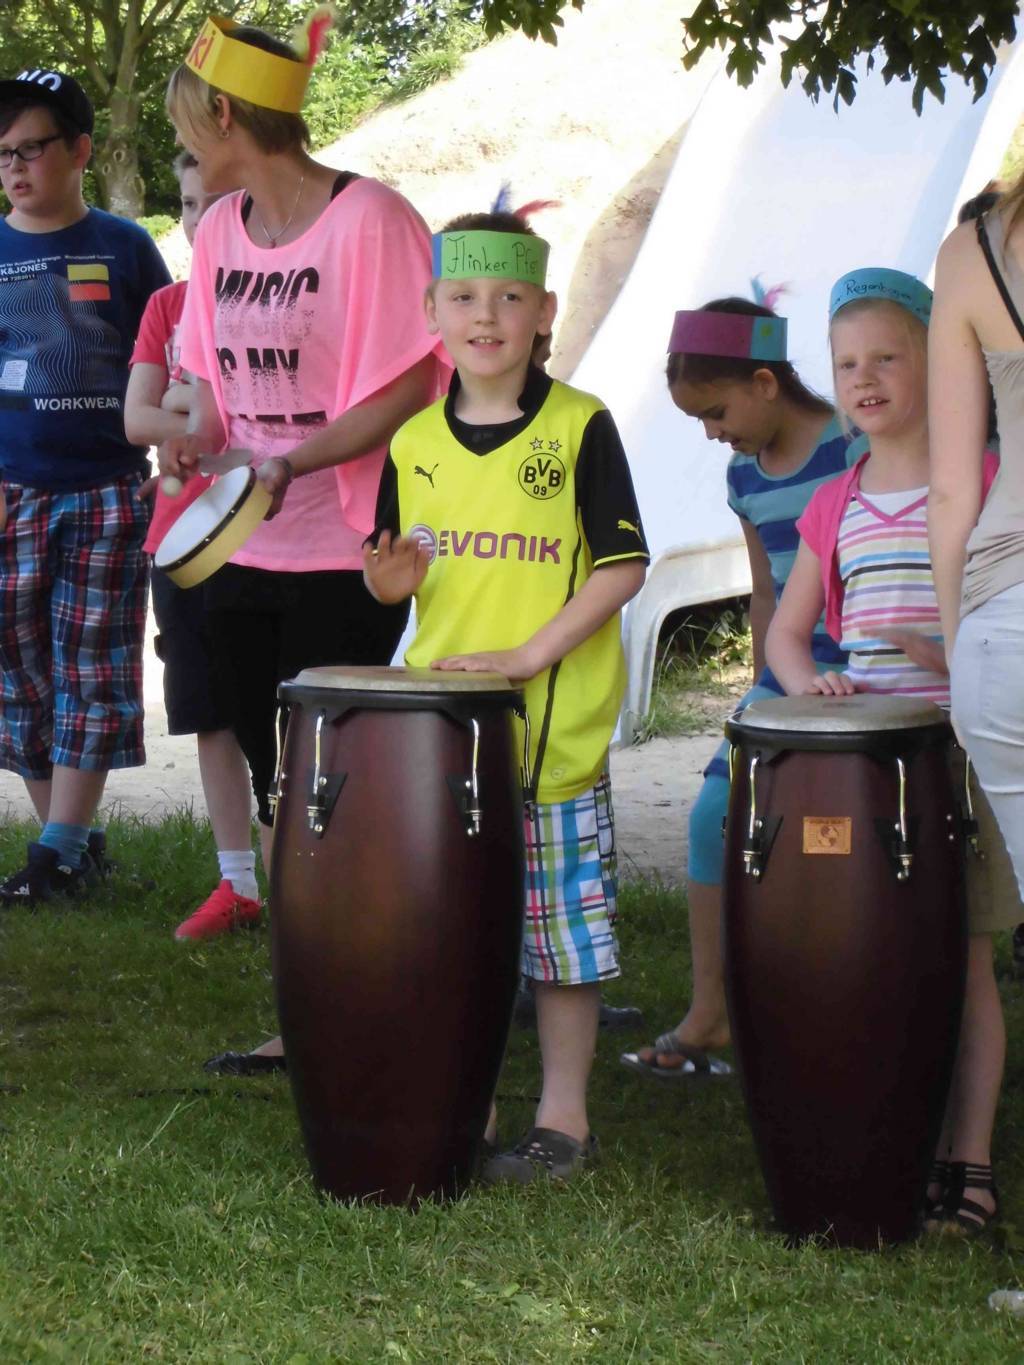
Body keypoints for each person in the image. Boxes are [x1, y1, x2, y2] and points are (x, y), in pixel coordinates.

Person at [159, 14, 448, 1073]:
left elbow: (412, 382)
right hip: (243, 546)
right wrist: (191, 440)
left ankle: (382, 990)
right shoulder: (218, 234)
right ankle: (312, 1007)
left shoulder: (371, 219)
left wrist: (296, 461)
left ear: (227, 116)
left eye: (187, 128)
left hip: (346, 549)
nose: (183, 147)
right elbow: (210, 389)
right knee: (280, 784)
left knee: (339, 785)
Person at [365, 210, 649, 1183]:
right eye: (464, 296)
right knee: (453, 933)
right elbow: (390, 575)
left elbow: (621, 567)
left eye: (509, 296)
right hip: (440, 741)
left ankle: (564, 1120)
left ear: (545, 312)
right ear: (431, 310)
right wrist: (386, 584)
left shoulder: (581, 425)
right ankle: (468, 1099)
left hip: (548, 738)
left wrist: (529, 655)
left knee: (561, 941)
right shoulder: (411, 442)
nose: (485, 316)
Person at [769, 268, 1019, 1235]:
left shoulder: (990, 479)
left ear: (939, 360)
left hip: (963, 756)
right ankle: (890, 1137)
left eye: (887, 357)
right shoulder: (834, 502)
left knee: (966, 959)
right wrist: (810, 685)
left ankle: (970, 1161)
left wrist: (953, 654)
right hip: (869, 769)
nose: (864, 378)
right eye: (846, 365)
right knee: (877, 953)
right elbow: (786, 634)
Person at [620, 298, 865, 1080]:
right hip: (787, 672)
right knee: (711, 816)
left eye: (716, 412)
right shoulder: (744, 474)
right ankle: (711, 1010)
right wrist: (763, 687)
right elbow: (766, 591)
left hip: (870, 666)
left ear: (765, 382)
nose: (710, 432)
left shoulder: (855, 442)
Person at [0, 67, 171, 904]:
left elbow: (172, 359)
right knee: (19, 671)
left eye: (32, 148)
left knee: (91, 666)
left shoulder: (127, 246)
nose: (15, 167)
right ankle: (68, 848)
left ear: (81, 151)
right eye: (2, 154)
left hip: (108, 491)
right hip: (12, 494)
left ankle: (59, 851)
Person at [124, 150, 257, 940]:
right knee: (209, 707)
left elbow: (266, 418)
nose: (201, 220)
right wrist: (192, 407)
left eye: (219, 201)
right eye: (188, 203)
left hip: (273, 529)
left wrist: (188, 405)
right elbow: (136, 419)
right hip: (180, 535)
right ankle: (237, 881)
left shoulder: (278, 298)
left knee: (279, 705)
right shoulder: (167, 305)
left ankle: (310, 878)